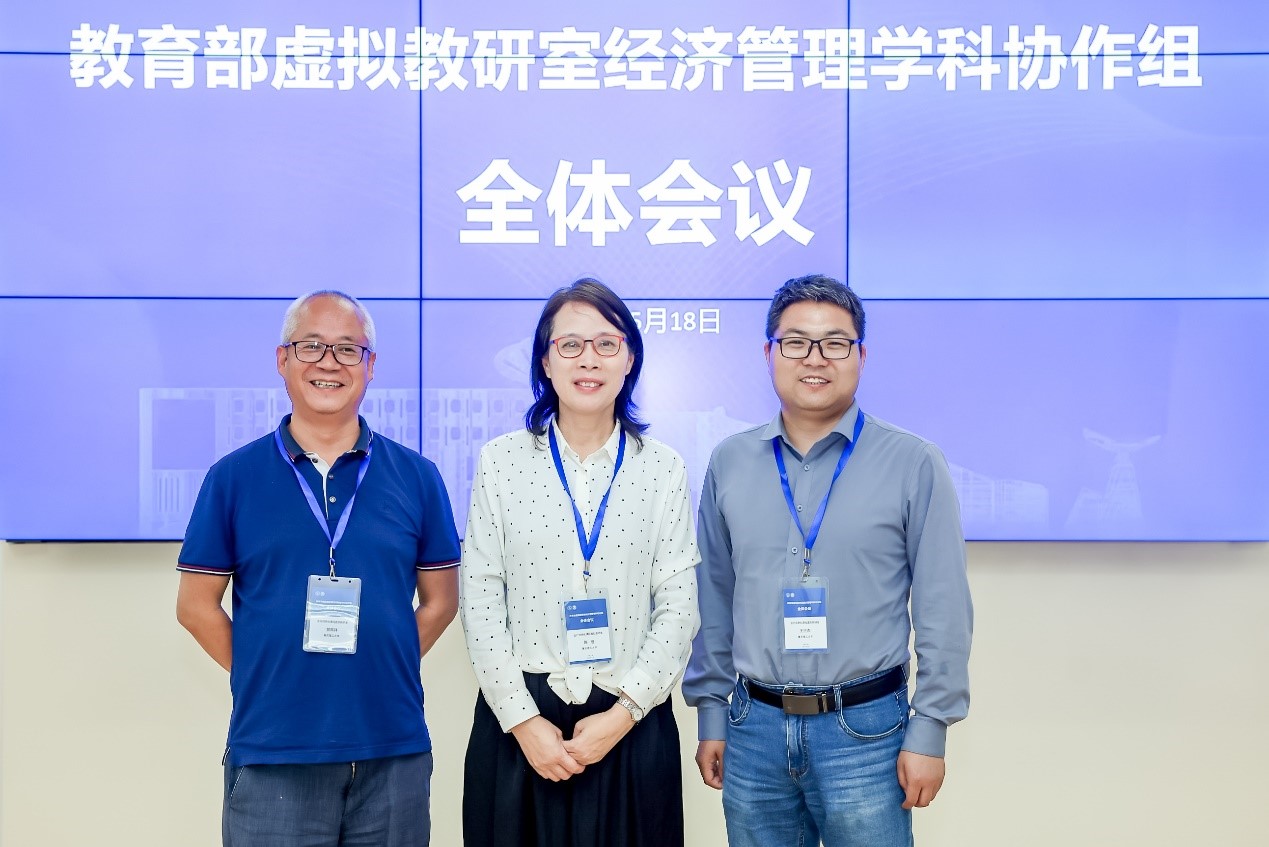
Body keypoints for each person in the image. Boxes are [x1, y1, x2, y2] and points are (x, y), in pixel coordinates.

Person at [682, 274, 973, 846]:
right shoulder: (730, 461)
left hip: (866, 731)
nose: (814, 358)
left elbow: (943, 606)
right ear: (769, 353)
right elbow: (713, 597)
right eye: (795, 341)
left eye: (835, 343)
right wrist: (712, 711)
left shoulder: (913, 462)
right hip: (753, 729)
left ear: (861, 356)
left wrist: (931, 726)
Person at [176, 290, 461, 847]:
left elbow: (441, 601)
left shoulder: (418, 477)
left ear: (370, 366)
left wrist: (381, 662)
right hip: (274, 751)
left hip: (392, 750)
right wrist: (267, 672)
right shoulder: (232, 478)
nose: (329, 362)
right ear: (282, 359)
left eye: (348, 349)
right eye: (311, 346)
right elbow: (195, 606)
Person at [460, 278, 700, 847]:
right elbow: (481, 600)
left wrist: (621, 717)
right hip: (521, 729)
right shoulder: (501, 462)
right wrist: (523, 722)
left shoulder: (662, 468)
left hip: (630, 725)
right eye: (570, 345)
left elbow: (679, 607)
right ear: (545, 362)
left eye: (606, 344)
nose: (588, 360)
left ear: (629, 359)